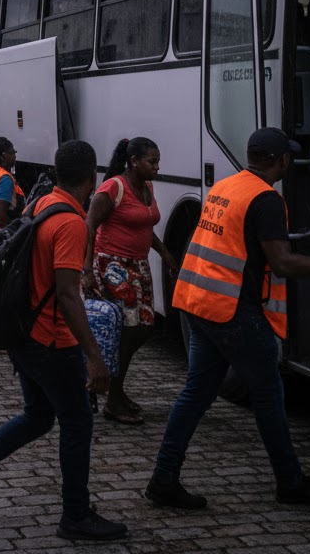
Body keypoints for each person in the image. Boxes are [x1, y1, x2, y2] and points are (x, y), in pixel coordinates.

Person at [147, 127, 310, 509]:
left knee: (196, 394)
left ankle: (163, 479)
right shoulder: (266, 200)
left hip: (198, 304)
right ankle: (290, 482)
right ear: (280, 160)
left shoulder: (226, 187)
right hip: (232, 313)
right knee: (268, 395)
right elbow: (283, 263)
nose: (290, 162)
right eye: (289, 156)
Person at [0, 140, 127, 542]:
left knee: (38, 417)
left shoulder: (42, 205)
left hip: (24, 331)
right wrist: (94, 357)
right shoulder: (71, 223)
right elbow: (69, 295)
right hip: (52, 341)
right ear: (93, 178)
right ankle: (75, 515)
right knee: (77, 422)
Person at [83, 136, 176, 425]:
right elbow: (88, 226)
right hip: (112, 266)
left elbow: (145, 226)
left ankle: (116, 389)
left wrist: (165, 254)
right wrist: (86, 269)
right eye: (152, 162)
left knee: (145, 328)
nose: (157, 167)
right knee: (129, 329)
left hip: (139, 265)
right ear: (134, 161)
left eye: (158, 161)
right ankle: (113, 397)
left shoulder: (146, 187)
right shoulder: (114, 187)